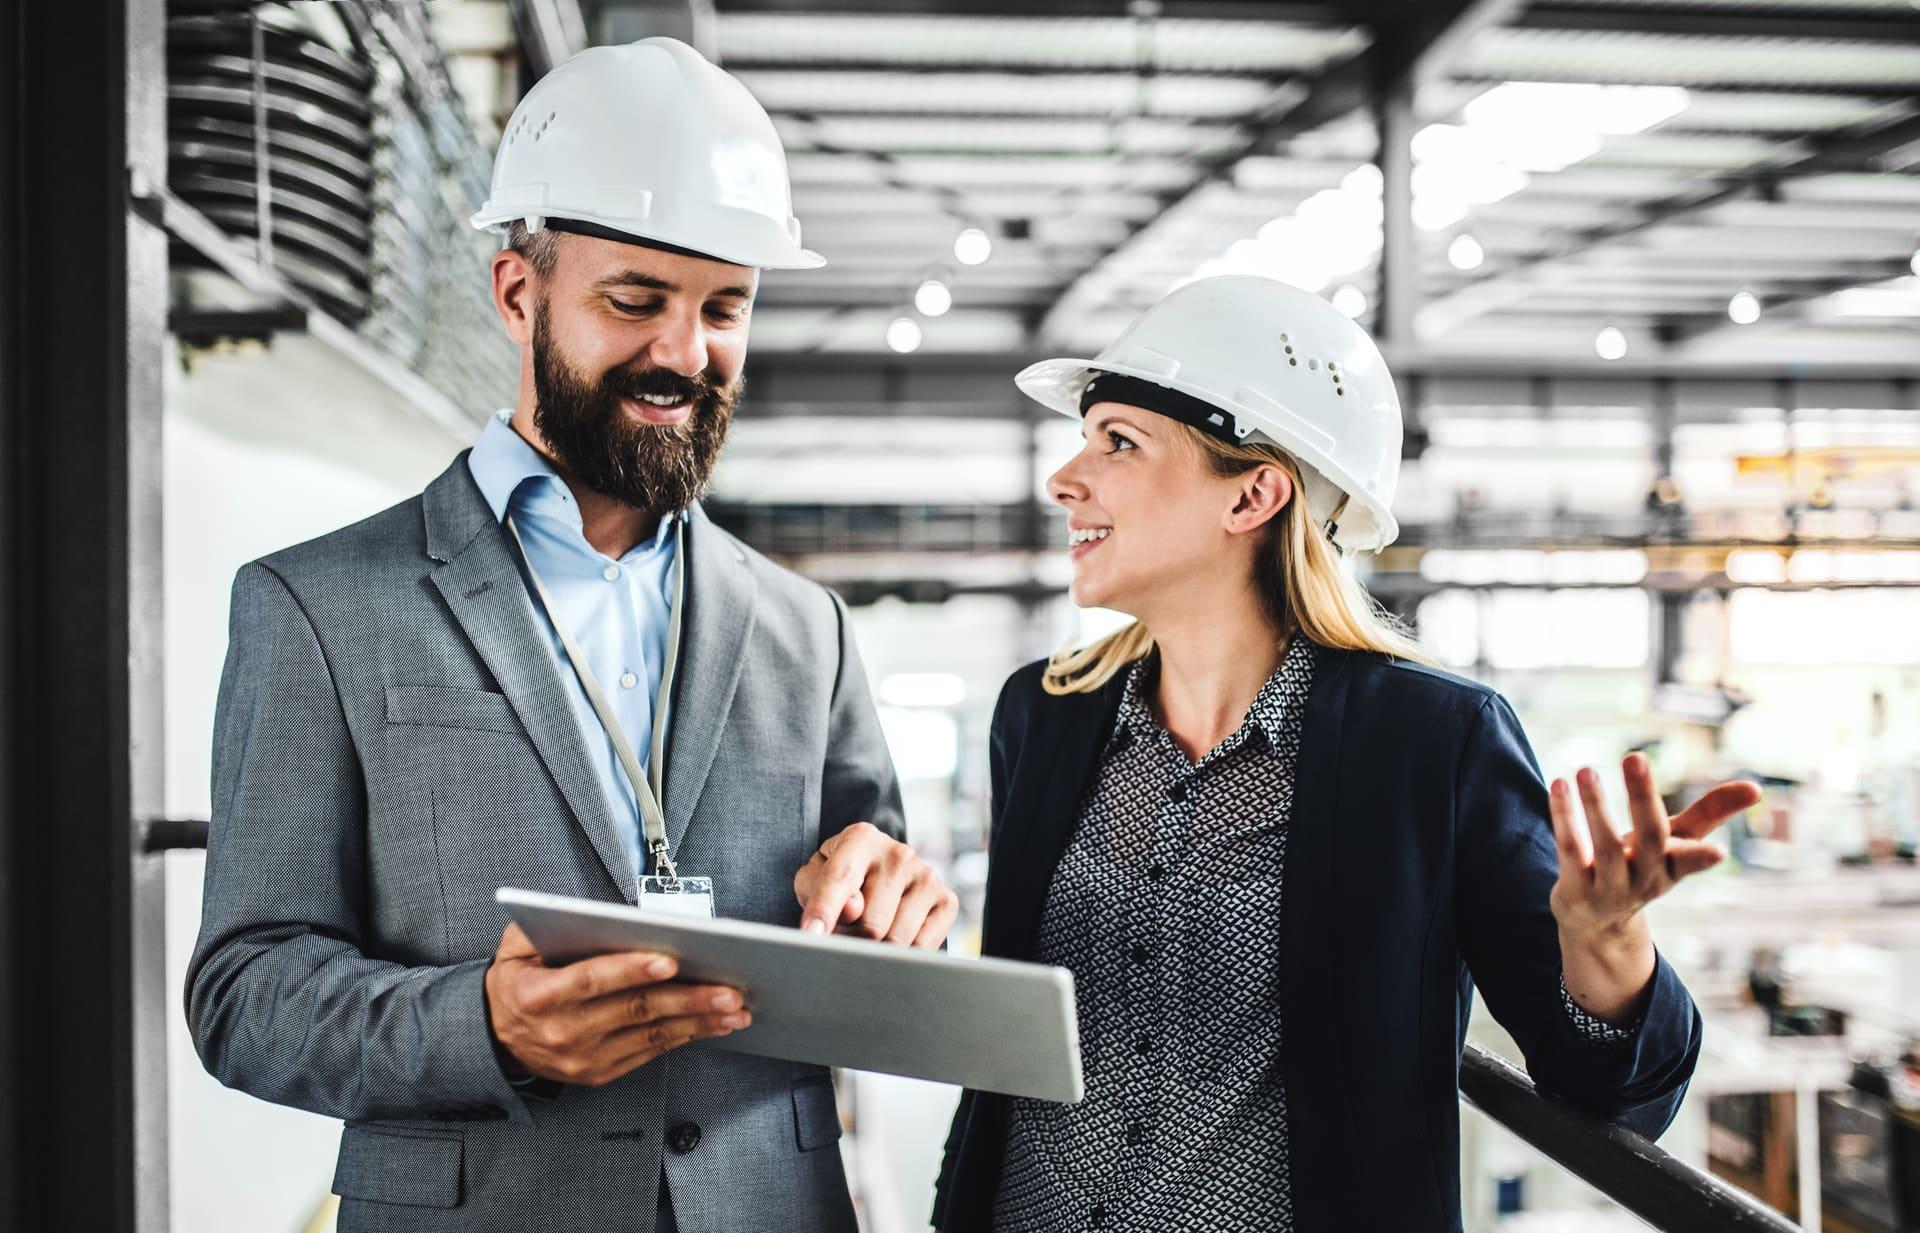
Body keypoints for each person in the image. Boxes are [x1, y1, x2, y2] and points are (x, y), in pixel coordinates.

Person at [187, 38, 955, 1233]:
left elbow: (873, 898)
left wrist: (895, 902)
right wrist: (480, 1026)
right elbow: (244, 994)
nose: (683, 356)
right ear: (517, 293)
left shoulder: (809, 633)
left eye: (725, 309)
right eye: (634, 301)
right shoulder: (320, 607)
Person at [933, 274, 1758, 1231]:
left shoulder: (1431, 743)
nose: (1065, 477)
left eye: (1118, 441)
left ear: (1255, 493)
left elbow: (1619, 1095)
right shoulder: (1044, 718)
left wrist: (1604, 937)